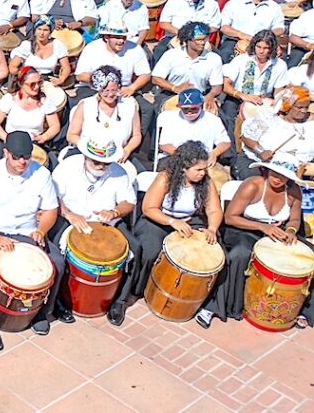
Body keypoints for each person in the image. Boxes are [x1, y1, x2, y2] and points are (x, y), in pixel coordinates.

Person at [0, 131, 66, 351]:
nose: (22, 161)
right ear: (6, 153)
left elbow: (51, 210)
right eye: (17, 156)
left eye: (26, 157)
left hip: (26, 231)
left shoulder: (42, 175)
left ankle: (42, 310)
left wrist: (41, 230)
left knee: (56, 262)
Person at [195, 157, 304, 328]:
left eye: (282, 176)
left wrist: (290, 231)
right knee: (240, 254)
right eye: (274, 173)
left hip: (274, 233)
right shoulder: (253, 185)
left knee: (304, 258)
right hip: (243, 229)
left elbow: (295, 219)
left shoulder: (294, 192)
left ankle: (296, 308)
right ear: (267, 170)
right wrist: (262, 227)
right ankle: (214, 307)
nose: (277, 178)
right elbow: (230, 217)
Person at [50, 137, 141, 325]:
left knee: (136, 248)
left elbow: (129, 202)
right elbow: (52, 197)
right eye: (96, 161)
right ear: (85, 156)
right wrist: (69, 214)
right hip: (71, 218)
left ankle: (120, 301)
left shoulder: (119, 173)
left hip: (107, 222)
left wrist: (115, 211)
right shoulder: (67, 168)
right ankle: (59, 299)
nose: (101, 165)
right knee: (57, 252)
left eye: (105, 162)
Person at [132, 141, 223, 314]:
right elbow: (149, 208)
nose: (202, 173)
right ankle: (140, 288)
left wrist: (212, 228)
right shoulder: (165, 178)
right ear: (183, 168)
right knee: (151, 250)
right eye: (198, 170)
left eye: (204, 169)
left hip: (190, 220)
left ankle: (197, 299)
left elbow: (214, 209)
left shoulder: (206, 182)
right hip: (160, 219)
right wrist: (172, 222)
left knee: (208, 255)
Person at [237, 86, 312, 180]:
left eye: (306, 107)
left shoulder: (311, 122)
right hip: (261, 165)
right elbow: (246, 137)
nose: (304, 111)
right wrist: (261, 151)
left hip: (300, 170)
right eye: (299, 107)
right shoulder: (270, 117)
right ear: (287, 106)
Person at [221, 30, 288, 128]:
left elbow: (278, 92)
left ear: (272, 48)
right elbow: (226, 85)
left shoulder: (280, 65)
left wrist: (274, 103)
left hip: (263, 101)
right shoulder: (241, 60)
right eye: (258, 47)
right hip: (237, 98)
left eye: (266, 48)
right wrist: (243, 96)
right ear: (254, 45)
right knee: (228, 115)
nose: (261, 51)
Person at [219, 0, 285, 62]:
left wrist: (267, 36)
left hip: (264, 42)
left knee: (280, 59)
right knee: (225, 53)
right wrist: (241, 34)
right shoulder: (235, 3)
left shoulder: (274, 7)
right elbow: (224, 27)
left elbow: (279, 28)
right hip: (236, 39)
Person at [155, 0, 221, 58]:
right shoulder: (174, 1)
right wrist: (182, 33)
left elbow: (215, 26)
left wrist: (199, 34)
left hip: (201, 39)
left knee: (218, 56)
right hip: (175, 36)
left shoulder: (212, 4)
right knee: (159, 51)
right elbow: (164, 23)